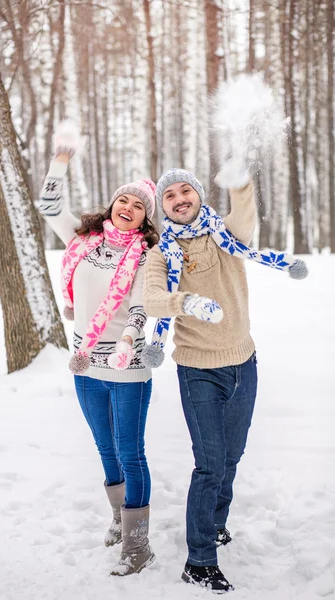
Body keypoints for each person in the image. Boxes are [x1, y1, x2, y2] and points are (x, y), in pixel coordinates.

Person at [142, 167, 307, 593]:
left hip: (244, 362)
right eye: (170, 196)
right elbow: (154, 298)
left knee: (232, 458)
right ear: (163, 207)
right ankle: (198, 561)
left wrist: (239, 178)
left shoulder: (226, 235)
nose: (179, 199)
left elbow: (246, 209)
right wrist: (188, 302)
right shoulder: (162, 252)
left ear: (198, 195)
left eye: (186, 191)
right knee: (210, 464)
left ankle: (215, 523)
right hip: (198, 370)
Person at [37, 122, 159, 576]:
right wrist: (62, 158)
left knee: (131, 452)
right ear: (113, 204)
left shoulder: (148, 255)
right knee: (104, 447)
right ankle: (118, 518)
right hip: (84, 362)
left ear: (146, 219)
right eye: (123, 199)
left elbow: (145, 305)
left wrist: (130, 340)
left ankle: (138, 544)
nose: (128, 207)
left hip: (127, 365)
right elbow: (49, 204)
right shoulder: (83, 242)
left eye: (138, 206)